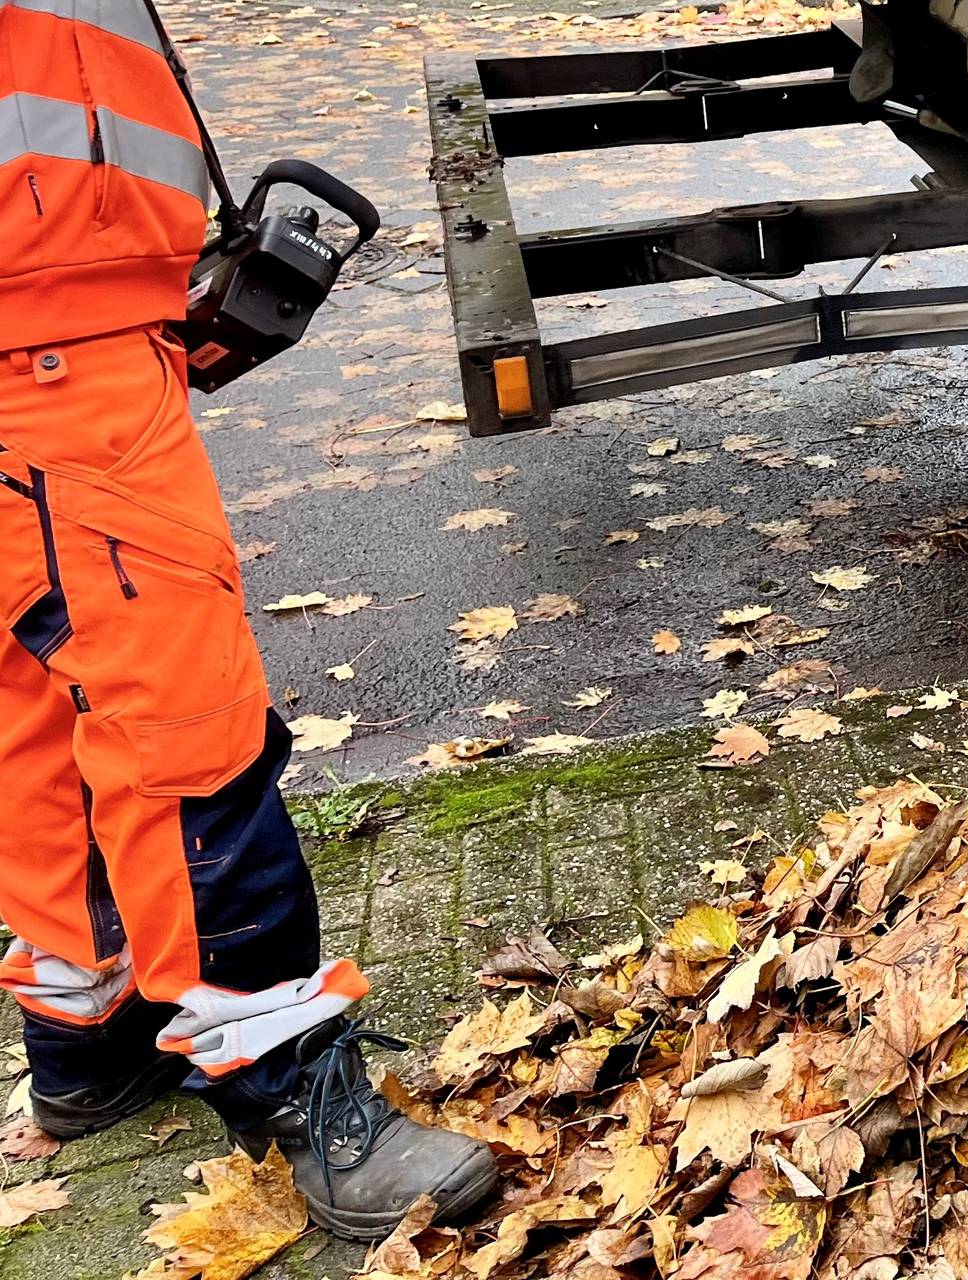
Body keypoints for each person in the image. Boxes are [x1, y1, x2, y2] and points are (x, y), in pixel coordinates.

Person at [0, 0, 497, 1240]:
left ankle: (86, 1025)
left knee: (33, 703)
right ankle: (281, 1072)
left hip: (61, 317)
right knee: (177, 719)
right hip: (52, 346)